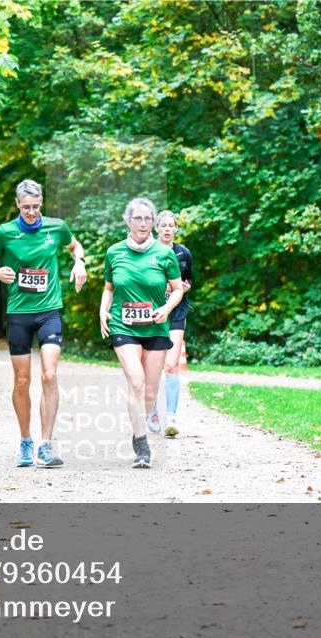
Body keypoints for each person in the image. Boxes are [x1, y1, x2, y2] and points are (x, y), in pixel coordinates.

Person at [0, 179, 87, 468]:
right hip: (19, 313)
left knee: (49, 375)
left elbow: (75, 247)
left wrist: (80, 262)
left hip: (50, 310)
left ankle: (46, 445)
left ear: (42, 204)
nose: (32, 213)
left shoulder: (56, 227)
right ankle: (26, 440)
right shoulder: (5, 233)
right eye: (26, 208)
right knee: (22, 380)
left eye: (36, 207)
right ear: (17, 204)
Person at [99, 198, 184, 468]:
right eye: (138, 219)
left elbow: (179, 288)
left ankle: (139, 431)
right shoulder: (114, 252)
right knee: (135, 380)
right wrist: (103, 311)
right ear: (128, 221)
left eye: (148, 219)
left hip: (156, 326)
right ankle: (142, 444)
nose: (144, 224)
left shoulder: (164, 253)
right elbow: (109, 287)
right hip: (123, 326)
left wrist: (167, 309)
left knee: (149, 391)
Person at [147, 210, 193, 438]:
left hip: (176, 313)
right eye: (162, 225)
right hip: (152, 314)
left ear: (176, 228)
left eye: (170, 225)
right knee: (153, 367)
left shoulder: (184, 254)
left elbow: (189, 279)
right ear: (157, 228)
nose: (166, 229)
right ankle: (153, 410)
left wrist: (184, 288)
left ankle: (171, 418)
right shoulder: (147, 250)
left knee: (171, 365)